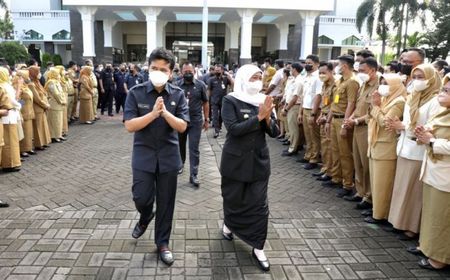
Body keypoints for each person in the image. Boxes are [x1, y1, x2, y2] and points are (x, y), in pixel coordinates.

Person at [123, 48, 189, 266]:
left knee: (166, 203)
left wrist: (165, 113)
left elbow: (182, 127)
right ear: (147, 68)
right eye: (154, 68)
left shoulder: (178, 94)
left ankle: (163, 243)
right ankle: (144, 216)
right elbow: (130, 126)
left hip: (169, 158)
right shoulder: (136, 93)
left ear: (171, 73)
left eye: (163, 69)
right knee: (141, 198)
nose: (158, 72)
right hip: (143, 156)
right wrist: (152, 114)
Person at [220, 64, 279, 272]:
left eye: (259, 77)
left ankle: (258, 246)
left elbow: (275, 132)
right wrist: (259, 118)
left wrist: (268, 119)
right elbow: (234, 129)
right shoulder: (230, 100)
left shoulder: (264, 100)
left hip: (259, 162)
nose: (257, 81)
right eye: (253, 77)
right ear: (243, 78)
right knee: (233, 198)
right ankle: (229, 224)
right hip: (235, 162)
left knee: (259, 205)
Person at [387, 64, 442, 238]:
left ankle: (411, 228)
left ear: (432, 79)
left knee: (414, 192)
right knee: (402, 188)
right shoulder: (412, 96)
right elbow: (406, 119)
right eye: (415, 77)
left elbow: (431, 127)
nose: (417, 81)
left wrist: (403, 126)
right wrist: (399, 126)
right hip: (404, 147)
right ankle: (399, 222)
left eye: (421, 77)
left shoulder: (435, 101)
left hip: (418, 150)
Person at [412, 79, 450, 270]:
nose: (443, 93)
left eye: (448, 91)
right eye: (443, 89)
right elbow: (431, 133)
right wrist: (423, 134)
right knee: (431, 213)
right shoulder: (442, 111)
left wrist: (432, 140)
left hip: (445, 175)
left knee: (442, 218)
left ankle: (440, 257)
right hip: (433, 170)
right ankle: (427, 246)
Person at [365, 74, 406, 224]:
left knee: (383, 184)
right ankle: (376, 210)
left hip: (386, 147)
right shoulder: (385, 99)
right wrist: (376, 105)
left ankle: (381, 215)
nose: (382, 86)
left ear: (395, 85)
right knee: (376, 182)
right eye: (381, 82)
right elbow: (373, 117)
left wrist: (376, 106)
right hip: (375, 144)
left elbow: (384, 122)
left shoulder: (399, 102)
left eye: (386, 83)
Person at [343, 58, 379, 210]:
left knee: (366, 164)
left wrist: (356, 121)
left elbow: (373, 112)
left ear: (373, 70)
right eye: (359, 71)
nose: (360, 74)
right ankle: (360, 191)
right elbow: (358, 107)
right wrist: (350, 119)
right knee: (358, 162)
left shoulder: (379, 87)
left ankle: (369, 196)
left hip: (366, 128)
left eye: (363, 71)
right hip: (356, 126)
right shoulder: (364, 85)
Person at [324, 55, 359, 197]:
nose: (337, 67)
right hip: (334, 119)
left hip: (342, 120)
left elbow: (351, 104)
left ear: (344, 66)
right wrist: (328, 120)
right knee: (335, 151)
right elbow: (334, 103)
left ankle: (348, 184)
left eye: (339, 65)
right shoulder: (340, 81)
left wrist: (345, 125)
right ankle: (336, 177)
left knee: (345, 154)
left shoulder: (352, 82)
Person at [177, 61, 209, 185]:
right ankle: (180, 165)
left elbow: (206, 102)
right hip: (181, 120)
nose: (188, 74)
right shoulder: (177, 85)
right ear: (181, 72)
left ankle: (194, 174)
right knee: (180, 145)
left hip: (196, 120)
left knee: (194, 148)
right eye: (185, 72)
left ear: (194, 72)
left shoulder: (201, 85)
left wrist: (206, 119)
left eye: (190, 72)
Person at [298, 54, 323, 169]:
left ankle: (314, 159)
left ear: (317, 64)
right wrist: (300, 112)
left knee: (314, 136)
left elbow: (318, 96)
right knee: (308, 135)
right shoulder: (306, 77)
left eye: (310, 63)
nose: (307, 65)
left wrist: (313, 113)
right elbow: (304, 96)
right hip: (305, 109)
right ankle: (308, 155)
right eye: (306, 63)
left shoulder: (318, 77)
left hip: (314, 110)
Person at [315, 62, 336, 182]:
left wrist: (327, 117)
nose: (322, 75)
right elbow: (325, 103)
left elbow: (335, 105)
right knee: (324, 146)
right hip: (324, 117)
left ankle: (331, 172)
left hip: (331, 120)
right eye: (320, 73)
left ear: (331, 72)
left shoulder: (335, 85)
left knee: (330, 147)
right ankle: (326, 169)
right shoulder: (324, 85)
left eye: (324, 73)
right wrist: (321, 114)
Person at [0, 67, 21, 172]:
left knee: (11, 140)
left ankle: (12, 162)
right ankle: (9, 163)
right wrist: (18, 106)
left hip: (10, 114)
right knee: (9, 141)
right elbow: (13, 101)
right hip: (6, 115)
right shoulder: (3, 87)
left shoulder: (6, 86)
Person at [281, 63, 303, 156]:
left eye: (291, 69)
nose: (290, 70)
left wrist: (286, 109)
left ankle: (293, 149)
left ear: (294, 69)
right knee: (293, 128)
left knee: (293, 129)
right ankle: (295, 146)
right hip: (291, 105)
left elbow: (295, 97)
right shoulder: (294, 80)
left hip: (294, 106)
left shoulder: (299, 81)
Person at [208, 64, 234, 138]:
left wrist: (229, 76)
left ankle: (219, 127)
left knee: (222, 116)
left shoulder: (225, 79)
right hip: (214, 101)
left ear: (222, 70)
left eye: (218, 70)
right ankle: (216, 131)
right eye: (216, 70)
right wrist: (207, 100)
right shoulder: (211, 80)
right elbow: (209, 90)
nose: (217, 71)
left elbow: (233, 84)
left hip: (223, 101)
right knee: (215, 116)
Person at [28, 66, 51, 150]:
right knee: (38, 127)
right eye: (37, 72)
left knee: (43, 125)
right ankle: (39, 144)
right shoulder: (31, 84)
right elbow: (37, 98)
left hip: (42, 108)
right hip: (37, 107)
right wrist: (45, 105)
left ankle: (44, 142)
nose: (39, 74)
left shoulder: (37, 82)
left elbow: (43, 93)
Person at [14, 70, 36, 157]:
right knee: (24, 132)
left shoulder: (26, 86)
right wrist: (22, 105)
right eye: (26, 76)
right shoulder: (17, 87)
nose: (28, 78)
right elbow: (17, 100)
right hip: (24, 111)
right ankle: (23, 149)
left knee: (29, 132)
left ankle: (29, 148)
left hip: (29, 110)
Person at [45, 68, 66, 143]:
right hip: (54, 104)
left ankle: (59, 134)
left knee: (59, 120)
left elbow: (61, 92)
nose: (59, 75)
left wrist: (62, 100)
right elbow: (55, 93)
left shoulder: (57, 81)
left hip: (59, 104)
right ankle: (54, 136)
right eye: (57, 74)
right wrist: (61, 101)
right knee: (54, 121)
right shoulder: (51, 82)